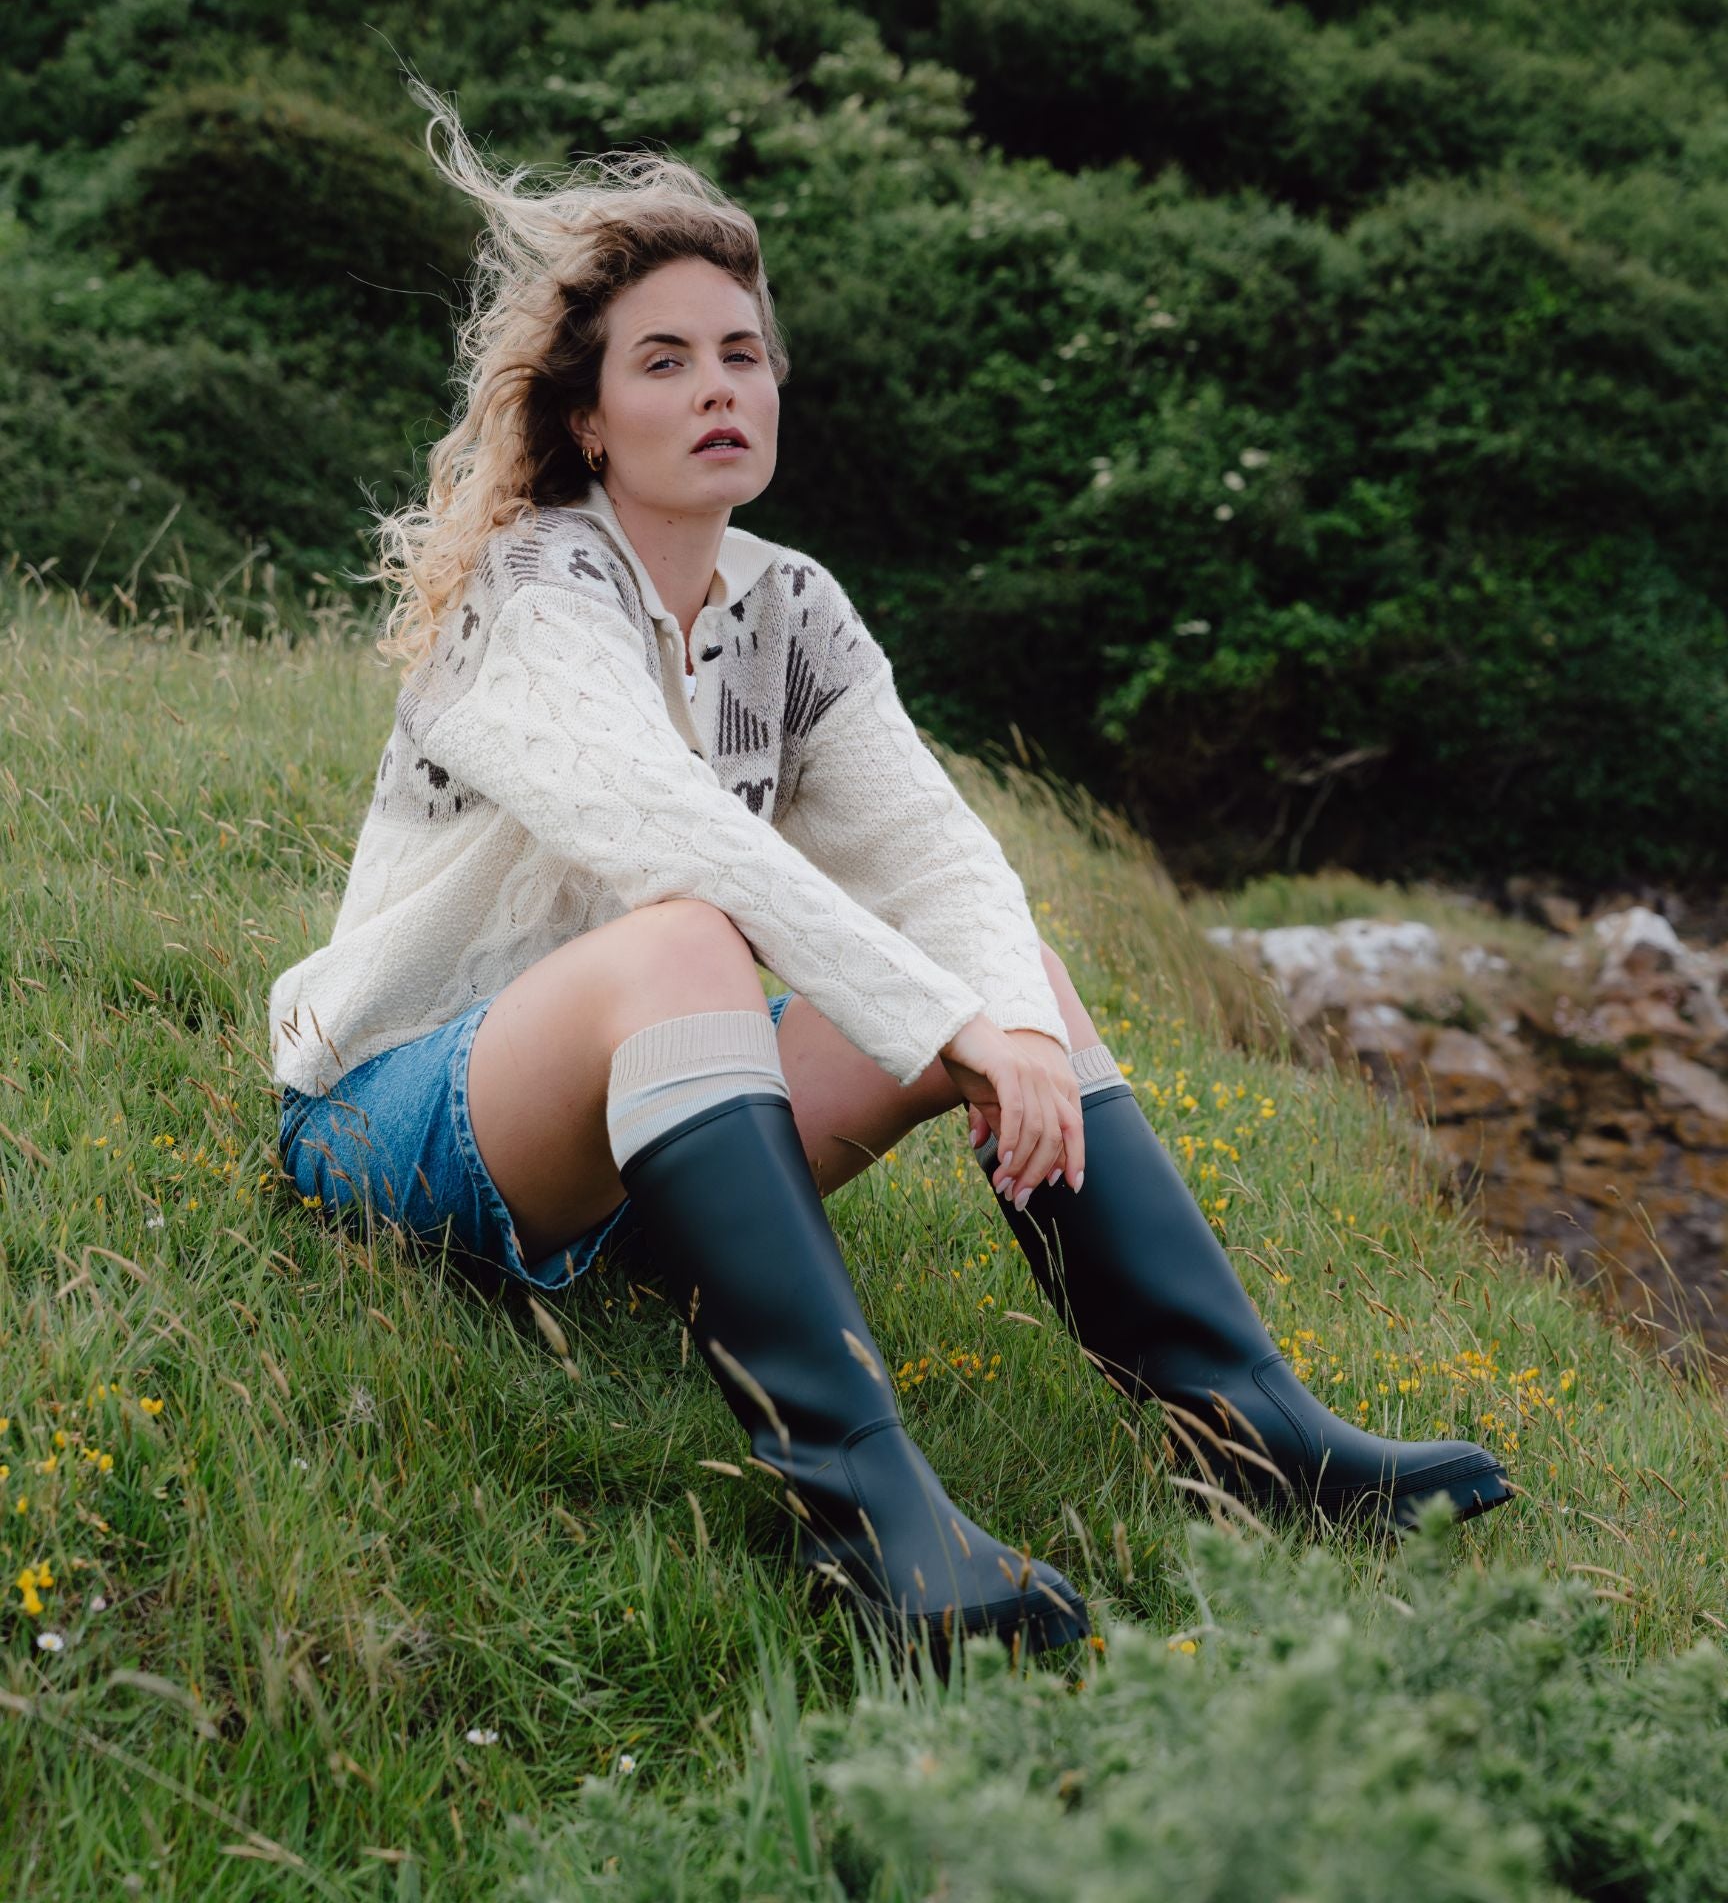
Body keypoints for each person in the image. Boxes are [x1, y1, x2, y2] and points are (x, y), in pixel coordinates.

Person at [270, 87, 1512, 1671]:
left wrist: (1010, 1028)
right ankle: (880, 1535)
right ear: (586, 418)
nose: (720, 386)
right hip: (405, 1131)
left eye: (742, 354)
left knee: (1017, 979)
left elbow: (938, 854)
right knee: (689, 938)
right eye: (664, 361)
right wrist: (946, 1025)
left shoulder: (793, 606)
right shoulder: (531, 589)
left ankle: (1248, 1437)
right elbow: (672, 833)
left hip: (628, 1154)